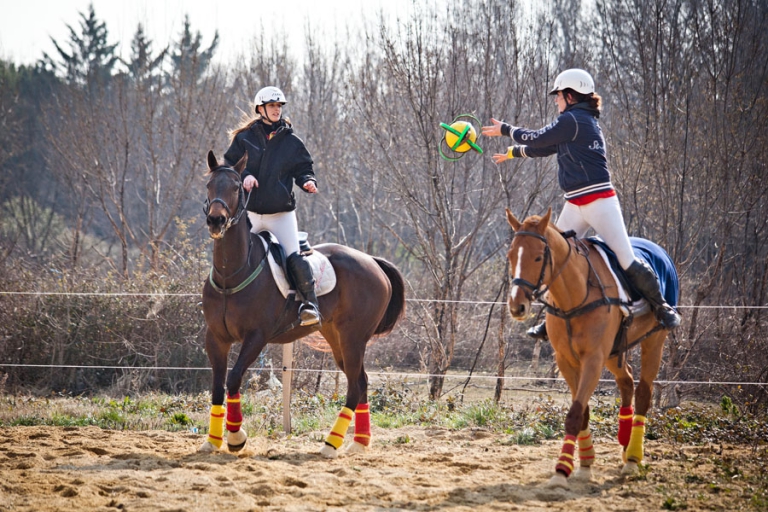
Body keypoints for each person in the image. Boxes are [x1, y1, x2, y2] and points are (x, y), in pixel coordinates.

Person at [482, 68, 681, 339]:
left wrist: (506, 130)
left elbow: (540, 138)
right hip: (575, 204)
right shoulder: (577, 122)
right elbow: (544, 147)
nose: (556, 101)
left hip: (600, 203)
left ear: (570, 96)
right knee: (555, 256)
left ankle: (662, 307)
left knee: (625, 258)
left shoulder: (574, 120)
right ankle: (550, 316)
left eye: (558, 96)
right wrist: (514, 152)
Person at [223, 86, 321, 327]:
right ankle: (219, 298)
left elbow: (304, 168)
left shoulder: (291, 142)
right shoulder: (244, 138)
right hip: (251, 214)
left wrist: (308, 180)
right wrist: (244, 174)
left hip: (281, 215)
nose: (277, 110)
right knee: (230, 252)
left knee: (293, 257)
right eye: (272, 106)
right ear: (260, 109)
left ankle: (311, 306)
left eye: (279, 106)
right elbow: (228, 164)